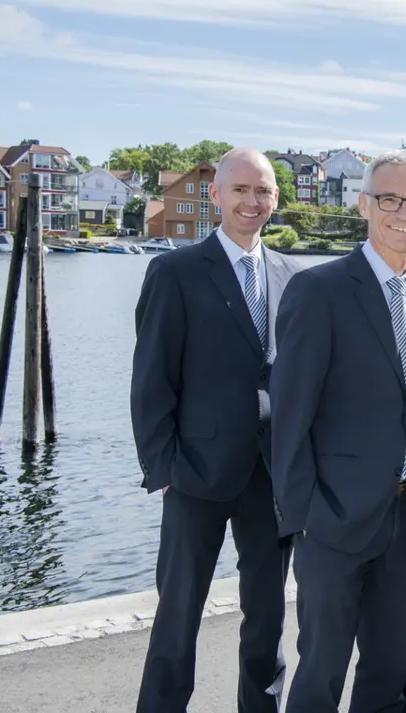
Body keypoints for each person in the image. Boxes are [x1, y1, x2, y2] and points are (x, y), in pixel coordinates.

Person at [270, 149, 406, 712]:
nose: (405, 213)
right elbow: (289, 414)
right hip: (334, 520)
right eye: (391, 200)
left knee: (389, 667)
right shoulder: (318, 290)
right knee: (321, 669)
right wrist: (304, 514)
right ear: (364, 204)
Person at [130, 147, 304, 713]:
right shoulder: (175, 272)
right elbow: (152, 380)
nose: (252, 201)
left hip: (270, 474)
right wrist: (163, 471)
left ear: (276, 198)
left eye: (264, 191)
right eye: (241, 190)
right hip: (194, 474)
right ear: (215, 195)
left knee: (267, 615)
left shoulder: (292, 276)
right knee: (178, 613)